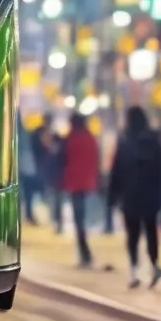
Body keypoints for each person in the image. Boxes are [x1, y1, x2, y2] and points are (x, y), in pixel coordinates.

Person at [108, 105, 161, 289]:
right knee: (151, 231)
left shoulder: (125, 141)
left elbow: (116, 171)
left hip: (130, 196)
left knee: (132, 235)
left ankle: (134, 272)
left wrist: (112, 195)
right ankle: (154, 266)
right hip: (150, 195)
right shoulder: (154, 140)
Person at [60, 113, 100, 268]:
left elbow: (64, 159)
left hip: (74, 183)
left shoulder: (71, 139)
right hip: (88, 183)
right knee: (84, 219)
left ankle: (85, 254)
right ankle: (85, 253)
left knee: (79, 221)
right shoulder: (90, 137)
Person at [31, 114, 63, 229]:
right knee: (45, 195)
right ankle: (49, 219)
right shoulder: (37, 135)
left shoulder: (56, 137)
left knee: (54, 196)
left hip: (53, 172)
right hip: (41, 170)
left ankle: (55, 220)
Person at [18, 113, 40, 224]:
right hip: (26, 169)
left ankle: (26, 215)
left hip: (22, 169)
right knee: (27, 194)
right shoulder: (24, 135)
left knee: (24, 194)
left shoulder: (20, 135)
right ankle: (28, 215)